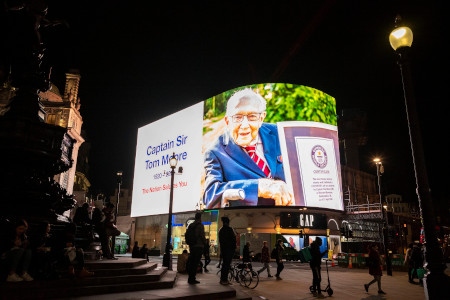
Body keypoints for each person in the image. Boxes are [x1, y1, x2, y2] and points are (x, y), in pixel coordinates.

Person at [203, 88, 294, 209]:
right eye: (237, 117)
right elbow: (211, 195)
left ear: (261, 118)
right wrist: (259, 187)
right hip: (251, 222)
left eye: (252, 116)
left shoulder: (280, 133)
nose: (244, 125)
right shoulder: (214, 152)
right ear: (227, 121)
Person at [187, 212, 206, 284]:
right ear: (200, 218)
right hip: (198, 246)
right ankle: (192, 278)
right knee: (195, 263)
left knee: (192, 262)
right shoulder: (200, 225)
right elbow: (202, 235)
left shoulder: (191, 225)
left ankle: (190, 277)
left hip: (192, 246)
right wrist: (205, 243)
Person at [218, 216, 236, 285]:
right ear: (228, 222)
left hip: (224, 249)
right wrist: (233, 248)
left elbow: (221, 241)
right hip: (229, 250)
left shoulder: (221, 230)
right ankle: (224, 279)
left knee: (225, 264)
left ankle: (223, 279)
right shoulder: (230, 229)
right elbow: (233, 239)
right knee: (227, 265)